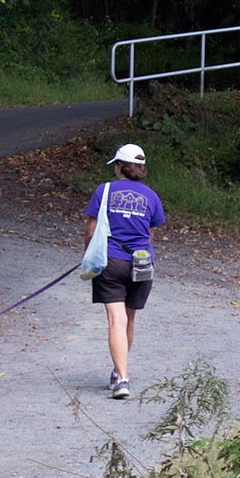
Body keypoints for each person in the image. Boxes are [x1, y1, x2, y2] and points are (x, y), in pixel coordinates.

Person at [86, 141, 165, 400]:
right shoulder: (151, 196)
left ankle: (122, 379)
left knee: (115, 320)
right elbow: (150, 233)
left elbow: (91, 228)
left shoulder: (104, 190)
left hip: (111, 260)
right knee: (129, 319)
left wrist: (89, 254)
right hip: (142, 262)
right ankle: (119, 371)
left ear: (120, 166)